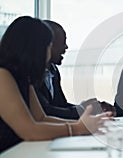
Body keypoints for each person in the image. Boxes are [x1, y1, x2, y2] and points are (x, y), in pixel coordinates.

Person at [0, 16, 112, 152]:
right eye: (49, 46)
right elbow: (29, 130)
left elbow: (41, 118)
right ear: (36, 48)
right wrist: (77, 128)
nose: (48, 52)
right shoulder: (2, 75)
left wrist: (87, 124)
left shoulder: (24, 77)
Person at [34, 20, 115, 119]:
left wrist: (89, 108)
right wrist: (82, 110)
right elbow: (46, 112)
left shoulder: (53, 71)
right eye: (62, 41)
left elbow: (61, 106)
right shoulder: (29, 75)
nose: (66, 46)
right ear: (47, 44)